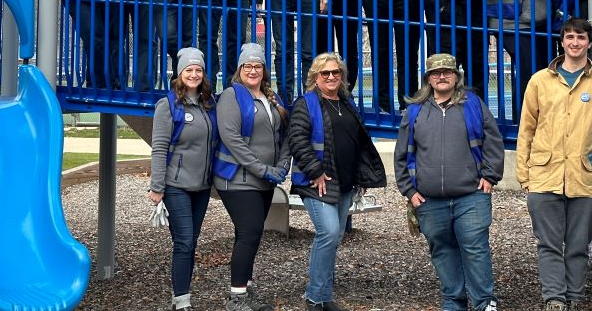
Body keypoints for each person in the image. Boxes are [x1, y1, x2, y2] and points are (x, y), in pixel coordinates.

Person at [515, 17, 592, 311]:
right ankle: (554, 299)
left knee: (578, 245)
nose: (575, 42)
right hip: (544, 175)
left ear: (589, 43)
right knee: (548, 243)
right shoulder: (539, 81)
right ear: (562, 42)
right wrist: (524, 175)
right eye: (569, 37)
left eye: (580, 37)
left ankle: (574, 298)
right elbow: (526, 130)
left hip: (586, 176)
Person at [393, 53, 504, 311]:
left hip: (471, 196)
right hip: (429, 200)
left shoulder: (473, 104)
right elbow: (401, 155)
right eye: (436, 73)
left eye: (447, 72)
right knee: (442, 251)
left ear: (456, 76)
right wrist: (409, 191)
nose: (441, 76)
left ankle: (484, 302)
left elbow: (493, 141)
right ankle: (454, 302)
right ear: (428, 79)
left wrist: (490, 176)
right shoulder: (415, 110)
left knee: (475, 249)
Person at [288, 53, 386, 311]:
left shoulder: (346, 103)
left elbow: (359, 142)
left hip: (344, 182)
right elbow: (297, 140)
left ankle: (324, 295)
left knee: (335, 237)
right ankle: (315, 297)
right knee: (329, 232)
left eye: (336, 72)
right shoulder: (305, 104)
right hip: (317, 182)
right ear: (315, 78)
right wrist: (315, 172)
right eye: (325, 73)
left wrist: (361, 175)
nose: (331, 77)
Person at [214, 43, 290, 311]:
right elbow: (232, 140)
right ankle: (236, 299)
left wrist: (283, 164)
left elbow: (285, 135)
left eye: (258, 66)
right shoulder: (231, 96)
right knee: (250, 232)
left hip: (265, 180)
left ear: (264, 70)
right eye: (248, 66)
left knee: (248, 235)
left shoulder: (273, 97)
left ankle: (244, 289)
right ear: (240, 69)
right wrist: (264, 169)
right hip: (236, 179)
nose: (253, 70)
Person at [148, 48, 218, 311]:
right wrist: (157, 187)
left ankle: (181, 292)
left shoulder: (209, 104)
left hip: (202, 186)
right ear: (179, 74)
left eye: (198, 70)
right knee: (185, 242)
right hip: (176, 186)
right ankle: (182, 301)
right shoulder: (167, 106)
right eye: (189, 70)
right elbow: (159, 148)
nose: (194, 74)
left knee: (191, 242)